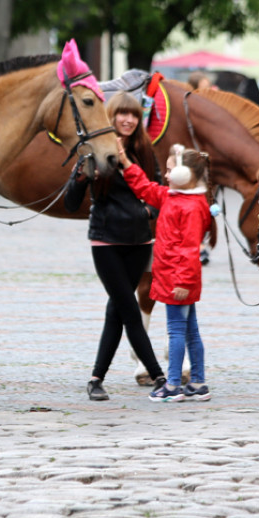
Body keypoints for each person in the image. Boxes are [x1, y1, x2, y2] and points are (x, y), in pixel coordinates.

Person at [63, 92, 167, 402]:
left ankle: (96, 380)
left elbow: (159, 193)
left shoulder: (146, 152)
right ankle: (159, 376)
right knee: (129, 310)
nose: (128, 120)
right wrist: (82, 179)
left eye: (133, 115)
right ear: (111, 116)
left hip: (139, 242)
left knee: (117, 311)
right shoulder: (96, 150)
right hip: (106, 241)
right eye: (122, 113)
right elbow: (70, 203)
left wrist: (147, 213)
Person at [119, 142, 216, 403]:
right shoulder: (173, 197)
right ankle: (198, 383)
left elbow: (189, 248)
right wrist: (126, 164)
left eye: (171, 170)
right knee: (190, 331)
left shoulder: (190, 207)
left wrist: (183, 281)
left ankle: (173, 385)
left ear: (186, 174)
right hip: (176, 278)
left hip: (178, 281)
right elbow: (146, 188)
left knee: (176, 331)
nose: (166, 174)